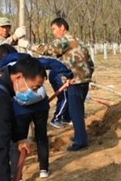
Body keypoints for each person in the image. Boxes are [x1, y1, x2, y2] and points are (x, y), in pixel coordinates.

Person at [0, 44, 74, 181]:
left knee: (17, 142)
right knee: (41, 136)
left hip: (20, 110)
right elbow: (52, 62)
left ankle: (17, 178)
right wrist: (69, 75)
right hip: (40, 106)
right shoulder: (28, 61)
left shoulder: (4, 69)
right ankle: (44, 169)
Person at [33, 18, 94, 151]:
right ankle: (79, 135)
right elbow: (90, 62)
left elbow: (47, 50)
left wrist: (27, 45)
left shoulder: (64, 40)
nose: (54, 33)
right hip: (84, 79)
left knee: (75, 112)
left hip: (75, 81)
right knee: (78, 109)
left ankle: (81, 141)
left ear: (62, 27)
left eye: (54, 29)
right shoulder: (78, 40)